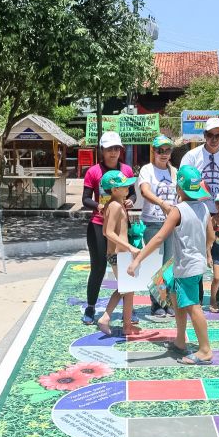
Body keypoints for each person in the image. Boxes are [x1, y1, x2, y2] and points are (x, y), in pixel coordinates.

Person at [127, 165, 213, 365]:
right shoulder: (204, 208)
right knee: (176, 299)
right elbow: (210, 235)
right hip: (189, 264)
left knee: (192, 306)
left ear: (179, 189)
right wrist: (203, 251)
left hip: (187, 267)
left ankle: (205, 350)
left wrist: (138, 259)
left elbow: (158, 238)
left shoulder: (178, 211)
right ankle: (180, 340)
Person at [180, 117, 219, 303]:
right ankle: (197, 292)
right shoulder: (192, 156)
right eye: (210, 135)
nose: (214, 139)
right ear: (204, 135)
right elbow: (182, 180)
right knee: (198, 250)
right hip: (199, 208)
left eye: (218, 135)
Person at [82, 131, 135, 325]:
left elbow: (133, 194)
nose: (113, 153)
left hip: (122, 227)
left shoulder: (127, 170)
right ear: (102, 151)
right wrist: (98, 206)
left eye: (116, 149)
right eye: (109, 149)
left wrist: (130, 201)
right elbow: (85, 198)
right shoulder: (93, 171)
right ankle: (90, 307)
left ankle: (129, 310)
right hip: (98, 225)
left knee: (125, 268)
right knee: (98, 267)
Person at [138, 135, 178, 317]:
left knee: (168, 265)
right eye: (159, 150)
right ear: (153, 151)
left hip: (172, 224)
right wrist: (162, 204)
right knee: (156, 265)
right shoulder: (147, 170)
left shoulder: (175, 172)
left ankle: (165, 300)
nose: (163, 154)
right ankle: (156, 303)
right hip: (153, 222)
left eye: (167, 150)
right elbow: (145, 191)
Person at [97, 170, 140, 336]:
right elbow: (108, 232)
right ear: (114, 190)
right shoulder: (114, 206)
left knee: (127, 289)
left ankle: (126, 326)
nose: (128, 186)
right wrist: (130, 248)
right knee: (126, 288)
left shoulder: (114, 204)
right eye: (123, 185)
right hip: (118, 254)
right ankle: (106, 317)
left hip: (119, 254)